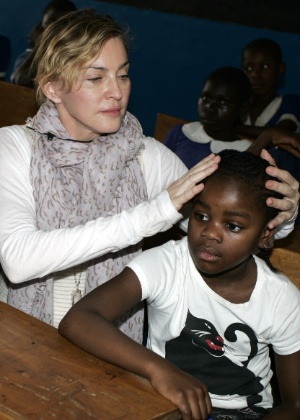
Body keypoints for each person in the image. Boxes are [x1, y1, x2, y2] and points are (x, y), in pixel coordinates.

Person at [0, 10, 297, 339]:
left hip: (110, 347)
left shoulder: (144, 156)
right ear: (53, 87)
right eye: (96, 78)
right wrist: (153, 213)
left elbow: (219, 224)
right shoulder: (15, 147)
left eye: (123, 75)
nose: (116, 91)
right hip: (24, 340)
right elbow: (19, 259)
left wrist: (281, 214)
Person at [59, 149, 300, 420]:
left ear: (266, 236)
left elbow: (295, 405)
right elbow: (78, 320)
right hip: (162, 402)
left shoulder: (282, 299)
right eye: (202, 216)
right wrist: (159, 370)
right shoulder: (168, 264)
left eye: (232, 226)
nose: (210, 233)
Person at [163, 66, 253, 169]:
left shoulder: (244, 152)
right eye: (206, 98)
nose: (210, 107)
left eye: (222, 102)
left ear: (242, 109)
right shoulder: (180, 133)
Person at [236, 38, 300, 139]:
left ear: (280, 69)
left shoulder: (290, 103)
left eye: (264, 67)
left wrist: (232, 128)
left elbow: (279, 135)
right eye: (248, 68)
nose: (255, 74)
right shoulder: (236, 104)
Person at [10, 0, 77, 88]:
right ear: (40, 26)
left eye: (62, 24)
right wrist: (39, 46)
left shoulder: (74, 59)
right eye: (50, 21)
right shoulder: (28, 56)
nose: (54, 28)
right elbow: (21, 81)